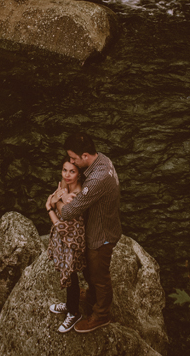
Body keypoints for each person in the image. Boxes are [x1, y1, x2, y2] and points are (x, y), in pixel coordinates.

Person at [55, 132, 121, 333]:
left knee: (99, 276)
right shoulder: (101, 159)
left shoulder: (97, 179)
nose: (71, 162)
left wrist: (54, 202)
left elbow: (68, 212)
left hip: (101, 236)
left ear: (85, 156)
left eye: (74, 158)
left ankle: (101, 315)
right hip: (103, 224)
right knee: (91, 271)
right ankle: (92, 298)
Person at [46, 159, 87, 333]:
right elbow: (53, 197)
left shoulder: (78, 195)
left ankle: (74, 312)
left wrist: (50, 208)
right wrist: (58, 199)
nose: (67, 175)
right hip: (64, 236)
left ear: (79, 174)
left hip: (71, 237)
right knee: (68, 273)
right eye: (64, 170)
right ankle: (70, 304)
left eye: (72, 172)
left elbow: (61, 224)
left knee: (71, 274)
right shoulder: (64, 185)